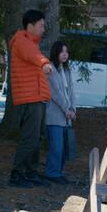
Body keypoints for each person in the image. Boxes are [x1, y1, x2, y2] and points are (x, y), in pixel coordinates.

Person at [7, 9, 53, 188]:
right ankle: (16, 175)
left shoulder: (32, 43)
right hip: (29, 100)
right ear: (30, 26)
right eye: (41, 25)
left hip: (36, 98)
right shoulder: (22, 41)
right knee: (30, 138)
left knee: (38, 138)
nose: (43, 29)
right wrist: (45, 63)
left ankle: (31, 173)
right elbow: (35, 57)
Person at [43, 40, 76, 185]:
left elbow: (72, 93)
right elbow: (55, 92)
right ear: (56, 53)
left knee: (64, 148)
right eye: (62, 51)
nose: (65, 54)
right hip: (54, 116)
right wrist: (66, 109)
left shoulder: (66, 71)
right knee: (56, 146)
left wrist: (73, 110)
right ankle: (51, 172)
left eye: (66, 52)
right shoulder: (50, 70)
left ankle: (59, 172)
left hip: (66, 116)